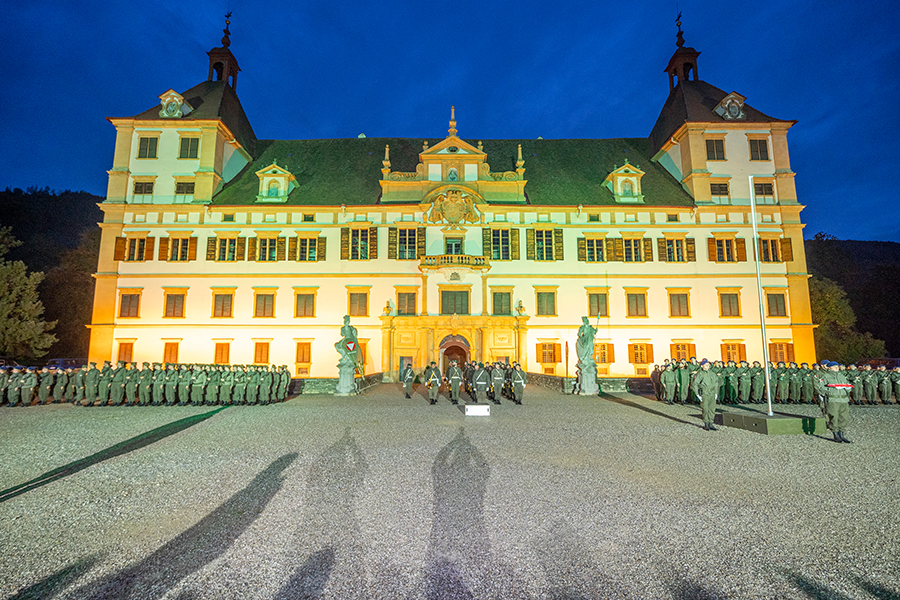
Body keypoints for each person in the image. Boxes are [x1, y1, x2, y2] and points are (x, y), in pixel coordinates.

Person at [814, 360, 854, 443]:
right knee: (834, 417)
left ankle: (841, 434)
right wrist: (831, 390)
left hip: (843, 399)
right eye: (835, 367)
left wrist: (848, 388)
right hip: (833, 399)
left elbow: (846, 384)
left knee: (844, 417)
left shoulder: (841, 376)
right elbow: (820, 387)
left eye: (837, 366)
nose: (837, 368)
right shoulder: (825, 376)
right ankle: (836, 435)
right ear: (830, 368)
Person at [691, 359, 720, 431]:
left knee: (712, 409)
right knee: (705, 409)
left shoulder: (712, 373)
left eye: (708, 364)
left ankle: (711, 423)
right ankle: (706, 424)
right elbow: (695, 384)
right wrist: (697, 394)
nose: (708, 366)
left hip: (712, 393)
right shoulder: (700, 374)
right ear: (702, 366)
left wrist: (716, 393)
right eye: (706, 365)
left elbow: (716, 383)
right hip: (705, 394)